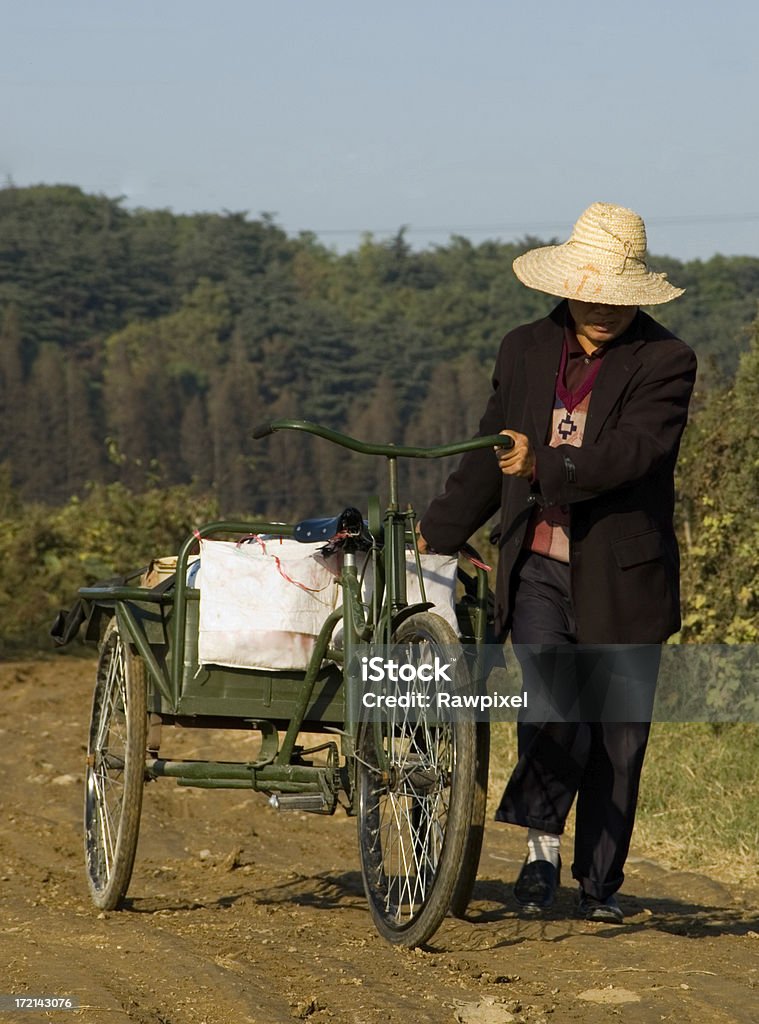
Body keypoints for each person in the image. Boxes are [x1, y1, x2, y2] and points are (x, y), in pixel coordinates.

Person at [417, 202, 697, 922]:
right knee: (550, 710)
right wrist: (440, 533)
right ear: (566, 286)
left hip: (623, 578)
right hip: (537, 564)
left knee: (618, 740)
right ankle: (540, 856)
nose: (603, 308)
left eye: (618, 296)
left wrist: (541, 464)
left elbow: (634, 452)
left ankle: (598, 885)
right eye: (591, 291)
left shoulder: (665, 361)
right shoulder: (523, 349)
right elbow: (491, 453)